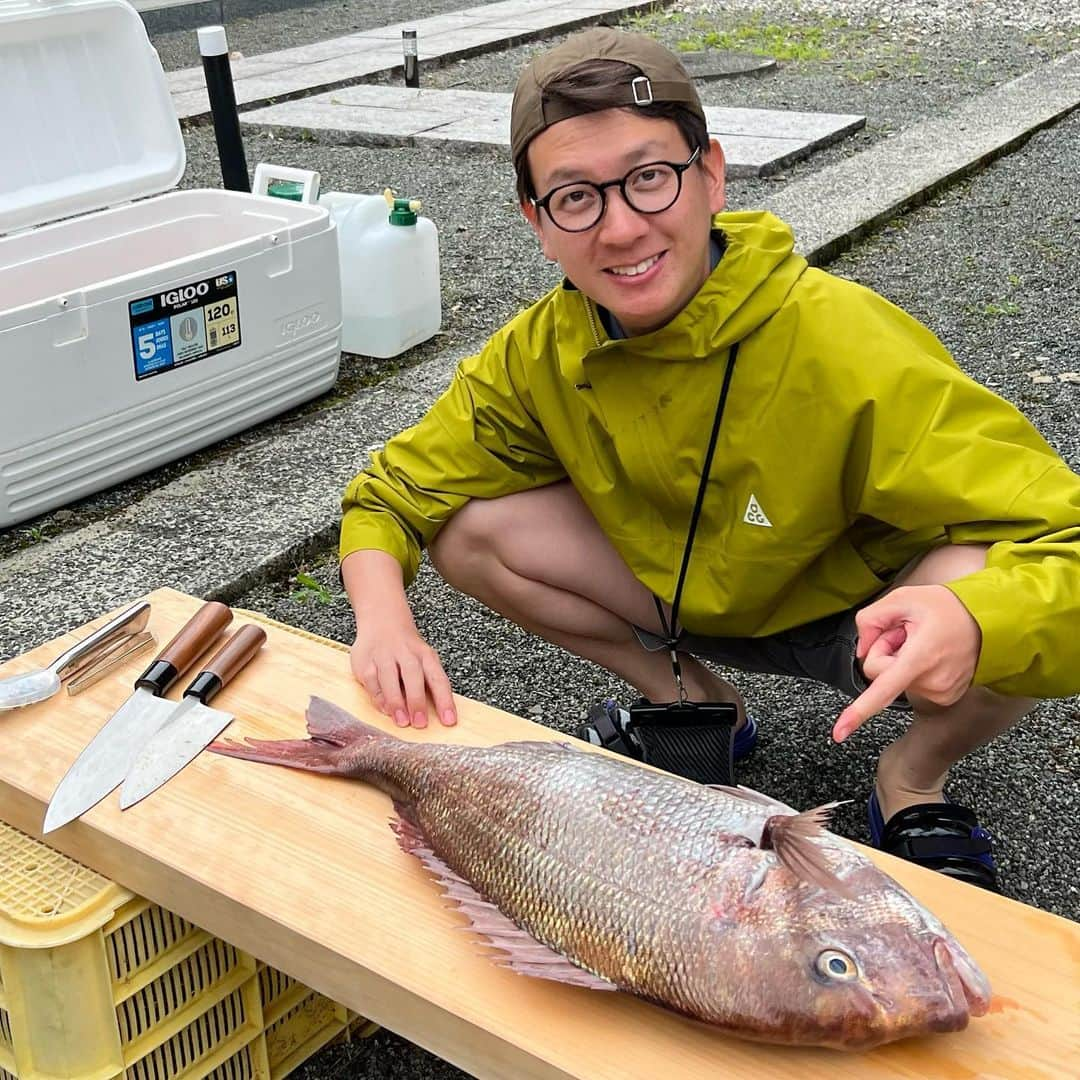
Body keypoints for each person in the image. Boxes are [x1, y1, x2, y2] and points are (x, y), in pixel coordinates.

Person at [338, 28, 1080, 892]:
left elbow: (1063, 538)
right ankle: (705, 705)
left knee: (1002, 591)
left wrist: (977, 622)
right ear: (537, 223)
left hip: (866, 615)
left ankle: (913, 779)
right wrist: (383, 620)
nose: (621, 227)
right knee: (470, 531)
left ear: (713, 174)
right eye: (576, 197)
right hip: (684, 599)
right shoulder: (535, 353)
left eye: (650, 178)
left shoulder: (843, 337)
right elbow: (392, 490)